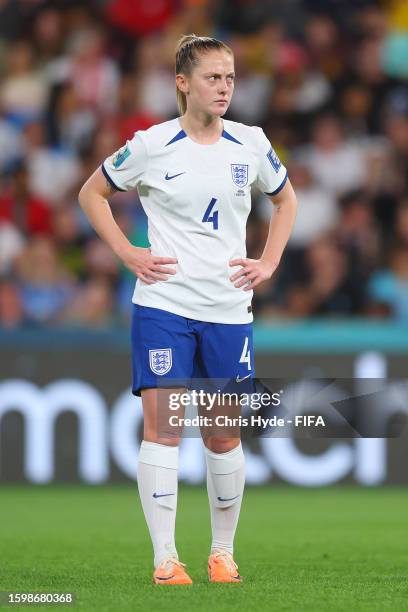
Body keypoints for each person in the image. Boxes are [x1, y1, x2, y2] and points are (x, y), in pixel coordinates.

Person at [79, 34, 297, 586]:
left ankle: (222, 554)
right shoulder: (153, 145)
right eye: (212, 77)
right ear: (183, 83)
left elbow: (286, 198)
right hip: (165, 305)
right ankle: (164, 560)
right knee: (165, 429)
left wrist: (267, 262)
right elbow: (91, 194)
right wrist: (128, 252)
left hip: (228, 308)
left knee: (223, 436)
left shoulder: (250, 143)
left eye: (229, 77)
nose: (224, 87)